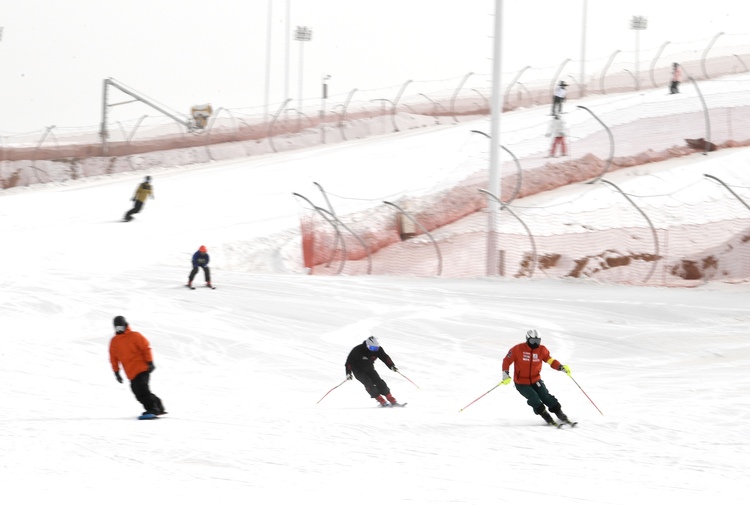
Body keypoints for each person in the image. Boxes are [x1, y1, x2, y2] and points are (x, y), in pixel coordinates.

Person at [500, 329, 573, 426]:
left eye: (537, 341)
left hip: (536, 380)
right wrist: (505, 374)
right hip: (521, 383)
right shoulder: (518, 349)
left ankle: (560, 414)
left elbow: (550, 360)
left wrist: (560, 367)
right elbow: (507, 360)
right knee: (534, 398)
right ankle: (546, 416)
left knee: (546, 396)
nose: (535, 344)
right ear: (527, 339)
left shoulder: (542, 350)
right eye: (532, 341)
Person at [109, 315, 166, 416]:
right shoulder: (114, 342)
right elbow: (113, 358)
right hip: (131, 372)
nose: (119, 330)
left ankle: (152, 409)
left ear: (125, 325)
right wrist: (116, 372)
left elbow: (146, 348)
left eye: (121, 327)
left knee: (142, 389)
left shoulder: (135, 336)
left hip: (142, 368)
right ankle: (158, 406)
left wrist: (150, 362)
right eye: (117, 328)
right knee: (137, 392)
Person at [345, 335, 400, 407]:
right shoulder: (358, 350)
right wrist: (348, 373)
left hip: (369, 368)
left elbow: (385, 357)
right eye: (372, 348)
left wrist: (391, 366)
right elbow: (349, 362)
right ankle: (382, 401)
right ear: (367, 345)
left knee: (379, 382)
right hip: (358, 371)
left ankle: (391, 400)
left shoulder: (378, 350)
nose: (374, 350)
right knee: (368, 384)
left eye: (376, 348)